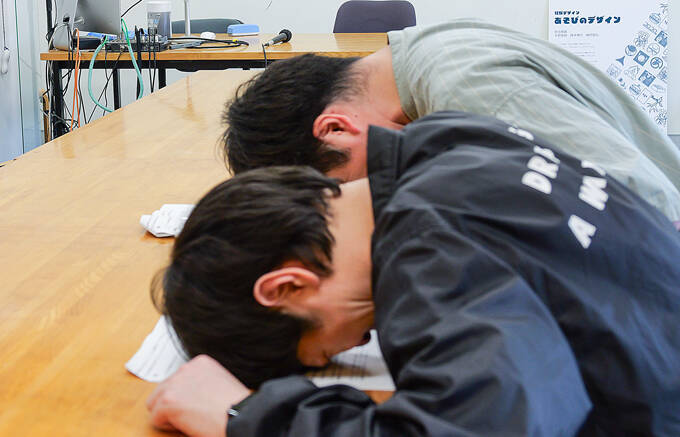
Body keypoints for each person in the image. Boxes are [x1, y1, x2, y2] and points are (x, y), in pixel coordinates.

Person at [148, 112, 680, 437]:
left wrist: (243, 416)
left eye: (324, 353)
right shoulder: (444, 140)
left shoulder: (428, 252)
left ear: (287, 286)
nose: (363, 342)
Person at [224, 19, 680, 221]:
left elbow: (646, 206)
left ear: (336, 129)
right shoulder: (419, 58)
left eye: (347, 185)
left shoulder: (466, 88)